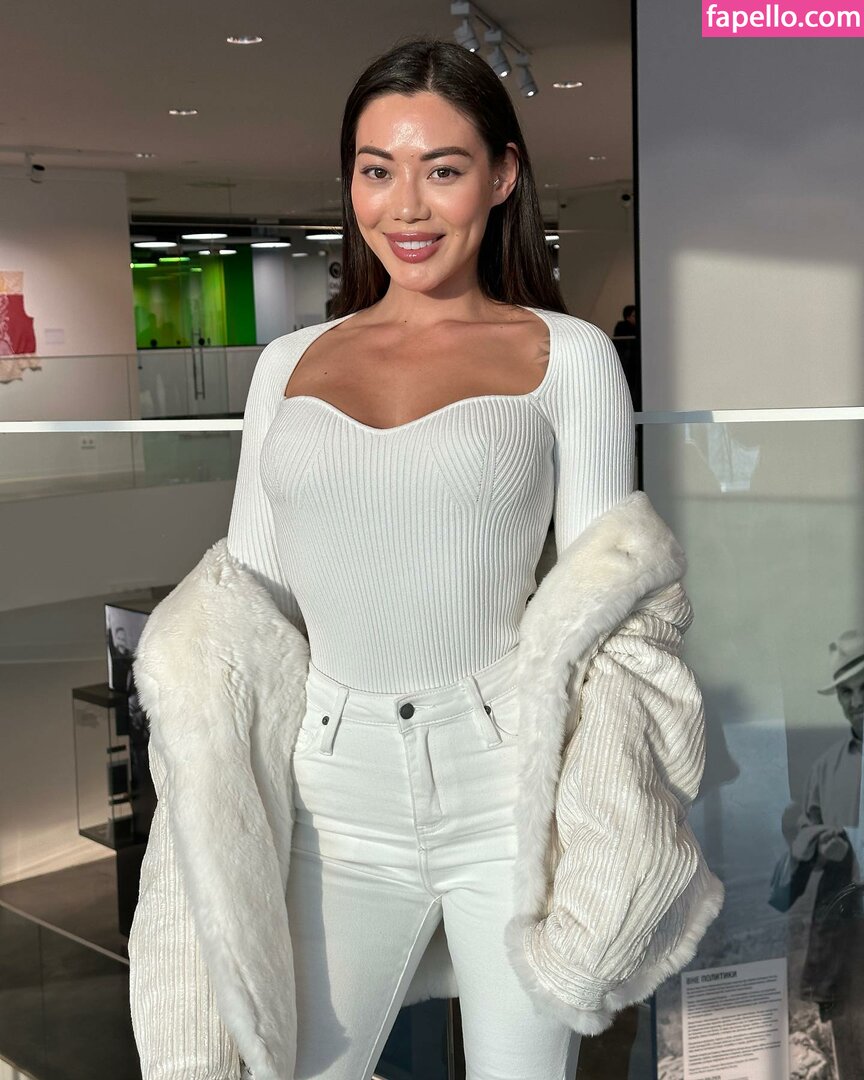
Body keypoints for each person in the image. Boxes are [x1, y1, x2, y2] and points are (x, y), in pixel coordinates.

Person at [127, 40, 722, 1080]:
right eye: (377, 168)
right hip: (330, 791)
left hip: (505, 787)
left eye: (442, 168)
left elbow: (610, 607)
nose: (405, 205)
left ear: (501, 175)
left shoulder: (569, 356)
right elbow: (248, 610)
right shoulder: (286, 367)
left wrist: (611, 817)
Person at [769, 629, 864, 1078]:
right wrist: (817, 843)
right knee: (851, 1050)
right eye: (846, 692)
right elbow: (800, 842)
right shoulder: (826, 768)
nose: (856, 701)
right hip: (846, 944)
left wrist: (851, 841)